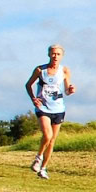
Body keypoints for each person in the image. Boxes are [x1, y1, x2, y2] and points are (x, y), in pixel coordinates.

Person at [24, 45, 73, 179]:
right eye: (53, 53)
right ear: (49, 54)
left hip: (58, 108)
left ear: (62, 56)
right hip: (43, 107)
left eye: (58, 54)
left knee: (52, 141)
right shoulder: (40, 70)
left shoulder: (64, 70)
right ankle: (38, 157)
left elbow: (67, 90)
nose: (55, 56)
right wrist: (33, 98)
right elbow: (28, 85)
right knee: (47, 135)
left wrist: (70, 90)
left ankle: (43, 168)